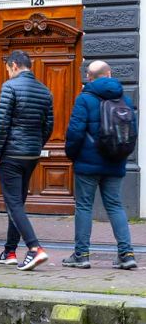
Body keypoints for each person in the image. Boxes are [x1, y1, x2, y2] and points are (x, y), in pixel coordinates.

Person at [62, 60, 138, 270]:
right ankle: (126, 254)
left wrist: (72, 155)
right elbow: (133, 131)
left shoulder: (85, 98)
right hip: (116, 161)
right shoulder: (125, 98)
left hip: (87, 163)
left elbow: (75, 132)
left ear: (89, 76)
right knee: (115, 206)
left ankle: (82, 255)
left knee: (84, 207)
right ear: (109, 73)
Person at [0, 50, 53, 271]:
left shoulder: (10, 87)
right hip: (32, 155)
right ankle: (9, 251)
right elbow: (49, 126)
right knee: (17, 202)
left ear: (14, 66)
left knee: (13, 203)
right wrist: (36, 144)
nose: (8, 73)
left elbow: (2, 123)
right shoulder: (45, 91)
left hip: (11, 154)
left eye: (8, 69)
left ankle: (35, 249)